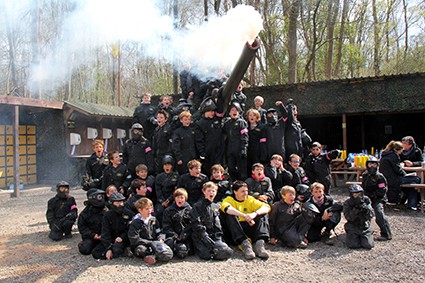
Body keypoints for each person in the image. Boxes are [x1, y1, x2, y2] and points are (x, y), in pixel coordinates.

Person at [220, 180, 271, 260]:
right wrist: (244, 216)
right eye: (242, 191)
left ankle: (259, 244)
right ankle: (245, 245)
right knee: (230, 215)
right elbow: (227, 208)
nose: (245, 193)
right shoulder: (229, 199)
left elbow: (266, 207)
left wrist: (254, 214)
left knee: (263, 214)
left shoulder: (250, 199)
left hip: (249, 226)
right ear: (235, 192)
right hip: (235, 232)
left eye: (246, 191)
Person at [189, 182, 233, 260]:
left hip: (213, 236)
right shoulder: (197, 206)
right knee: (207, 255)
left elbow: (217, 224)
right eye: (209, 191)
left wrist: (218, 238)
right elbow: (195, 222)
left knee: (226, 251)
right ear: (204, 191)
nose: (211, 193)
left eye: (213, 191)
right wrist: (204, 235)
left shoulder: (215, 206)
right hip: (200, 236)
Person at [128, 198, 173, 265]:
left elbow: (160, 231)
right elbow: (134, 239)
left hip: (155, 243)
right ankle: (150, 257)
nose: (149, 211)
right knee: (141, 250)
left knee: (170, 241)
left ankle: (155, 256)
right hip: (144, 244)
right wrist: (150, 243)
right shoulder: (135, 222)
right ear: (140, 210)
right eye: (147, 209)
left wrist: (161, 238)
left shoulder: (153, 219)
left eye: (150, 208)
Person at [92, 192, 134, 260]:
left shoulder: (129, 214)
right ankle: (113, 253)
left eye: (121, 202)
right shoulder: (107, 215)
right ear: (112, 204)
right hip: (112, 239)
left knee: (117, 248)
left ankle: (122, 251)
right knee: (95, 252)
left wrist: (122, 237)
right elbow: (105, 232)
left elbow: (131, 230)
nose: (120, 205)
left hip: (124, 239)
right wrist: (108, 248)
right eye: (117, 203)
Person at [380, 140, 420, 209]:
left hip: (386, 178)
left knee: (413, 182)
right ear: (396, 149)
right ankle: (412, 204)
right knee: (416, 179)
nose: (400, 153)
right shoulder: (393, 156)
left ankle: (408, 202)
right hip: (392, 180)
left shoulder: (385, 154)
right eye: (400, 151)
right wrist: (406, 175)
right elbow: (398, 170)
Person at [362, 157, 392, 241]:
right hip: (367, 197)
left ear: (377, 166)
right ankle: (361, 231)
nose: (372, 166)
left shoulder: (380, 177)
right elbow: (363, 187)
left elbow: (382, 190)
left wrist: (373, 195)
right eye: (370, 164)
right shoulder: (365, 175)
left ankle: (386, 234)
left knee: (379, 213)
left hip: (378, 198)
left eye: (374, 164)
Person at [195, 97, 225, 173]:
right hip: (208, 153)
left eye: (213, 111)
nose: (212, 113)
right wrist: (202, 153)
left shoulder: (217, 121)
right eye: (210, 111)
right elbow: (199, 140)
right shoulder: (200, 124)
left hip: (219, 151)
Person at [162, 188, 193, 259]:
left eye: (182, 198)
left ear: (185, 199)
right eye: (177, 197)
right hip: (173, 236)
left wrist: (184, 235)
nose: (180, 200)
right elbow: (166, 226)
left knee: (183, 252)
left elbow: (191, 225)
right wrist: (175, 236)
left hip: (186, 236)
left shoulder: (190, 209)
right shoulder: (168, 210)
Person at [223, 102, 249, 181]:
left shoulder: (242, 123)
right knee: (231, 168)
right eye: (232, 110)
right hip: (230, 150)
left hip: (239, 149)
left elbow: (244, 136)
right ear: (229, 112)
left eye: (236, 110)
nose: (234, 112)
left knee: (242, 170)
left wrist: (243, 148)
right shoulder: (227, 123)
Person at [343, 185, 375, 249]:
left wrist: (366, 209)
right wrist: (356, 209)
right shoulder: (347, 203)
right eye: (355, 194)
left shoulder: (366, 200)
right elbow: (348, 217)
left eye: (359, 194)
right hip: (353, 225)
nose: (357, 196)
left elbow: (371, 214)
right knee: (353, 245)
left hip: (364, 226)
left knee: (368, 245)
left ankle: (367, 235)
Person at [77, 189, 106, 255]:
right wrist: (93, 235)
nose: (101, 199)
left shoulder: (106, 210)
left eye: (102, 196)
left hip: (105, 235)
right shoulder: (85, 214)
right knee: (85, 249)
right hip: (92, 237)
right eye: (99, 197)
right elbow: (82, 228)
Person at [246, 108, 267, 176]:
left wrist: (263, 154)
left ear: (257, 117)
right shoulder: (245, 126)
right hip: (247, 151)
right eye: (250, 115)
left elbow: (263, 142)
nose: (252, 117)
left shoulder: (262, 127)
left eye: (254, 115)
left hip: (257, 151)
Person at [152, 109, 173, 174]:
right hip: (158, 155)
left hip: (166, 155)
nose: (159, 119)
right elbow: (154, 143)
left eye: (161, 117)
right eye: (158, 117)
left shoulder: (169, 128)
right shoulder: (156, 129)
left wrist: (169, 154)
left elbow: (171, 143)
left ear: (165, 119)